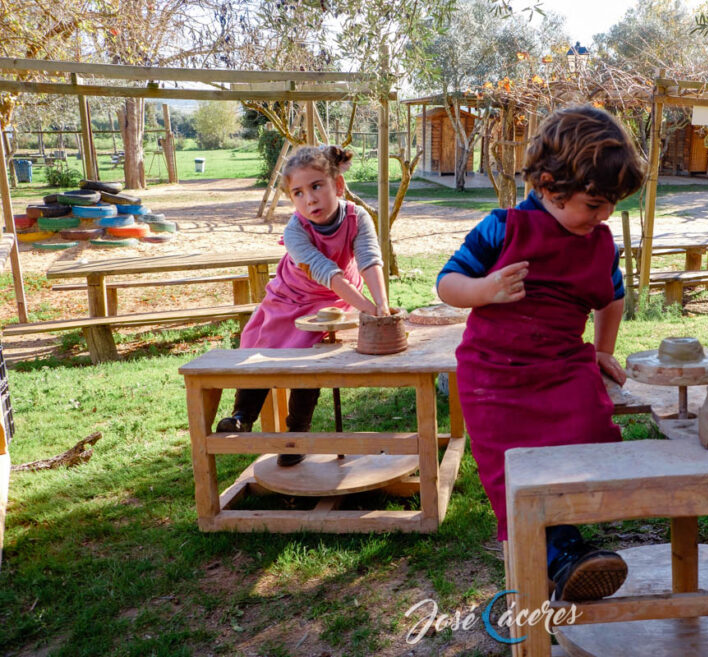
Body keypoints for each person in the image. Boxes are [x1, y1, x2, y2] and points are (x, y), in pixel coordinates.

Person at [437, 106, 646, 601]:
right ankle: (563, 555)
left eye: (611, 204)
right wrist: (485, 289)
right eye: (594, 204)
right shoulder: (502, 227)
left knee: (588, 436)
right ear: (550, 186)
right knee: (513, 469)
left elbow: (612, 296)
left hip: (560, 365)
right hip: (494, 377)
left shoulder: (599, 242)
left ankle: (565, 545)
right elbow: (447, 283)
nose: (604, 216)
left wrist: (602, 348)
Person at [216, 145, 390, 465]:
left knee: (310, 362)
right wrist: (368, 307)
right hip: (289, 298)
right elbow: (327, 272)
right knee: (262, 347)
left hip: (334, 302)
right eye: (298, 192)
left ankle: (296, 436)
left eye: (316, 187)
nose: (309, 199)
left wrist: (382, 305)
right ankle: (242, 415)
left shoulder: (357, 216)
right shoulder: (295, 229)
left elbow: (369, 259)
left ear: (337, 186)